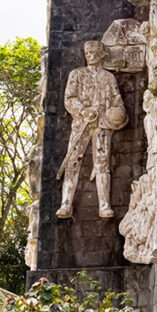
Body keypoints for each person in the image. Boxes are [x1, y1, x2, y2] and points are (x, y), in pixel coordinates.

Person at [56, 40, 128, 219]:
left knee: (102, 163)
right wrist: (83, 110)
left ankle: (104, 205)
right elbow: (69, 98)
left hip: (103, 124)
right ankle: (66, 203)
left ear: (102, 54)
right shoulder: (77, 74)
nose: (90, 55)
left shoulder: (108, 78)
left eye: (94, 52)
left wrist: (115, 114)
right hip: (82, 124)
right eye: (87, 52)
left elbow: (117, 101)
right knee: (73, 161)